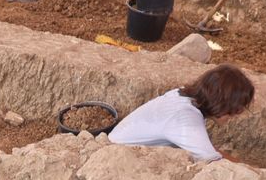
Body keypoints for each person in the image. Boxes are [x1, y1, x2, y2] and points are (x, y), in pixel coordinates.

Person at [109, 65, 255, 161]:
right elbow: (212, 160)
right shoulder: (185, 118)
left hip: (120, 144)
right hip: (118, 157)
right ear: (221, 103)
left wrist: (238, 162)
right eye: (235, 110)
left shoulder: (184, 96)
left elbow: (205, 147)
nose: (236, 116)